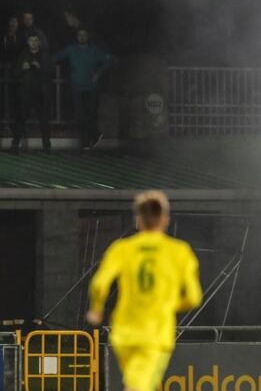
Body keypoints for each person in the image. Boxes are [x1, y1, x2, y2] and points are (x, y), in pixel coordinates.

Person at [86, 191, 202, 391]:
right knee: (138, 385)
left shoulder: (122, 248)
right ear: (165, 219)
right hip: (154, 333)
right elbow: (193, 298)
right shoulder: (179, 251)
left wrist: (96, 308)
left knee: (145, 381)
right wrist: (168, 304)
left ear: (138, 219)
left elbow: (99, 283)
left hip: (124, 332)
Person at [53, 29, 113, 148]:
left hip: (91, 88)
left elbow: (108, 60)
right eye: (79, 35)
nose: (81, 37)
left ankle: (88, 141)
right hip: (77, 87)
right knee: (79, 115)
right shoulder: (71, 49)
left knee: (90, 114)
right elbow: (55, 57)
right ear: (77, 37)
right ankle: (91, 137)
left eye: (84, 35)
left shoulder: (94, 50)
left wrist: (98, 73)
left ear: (87, 37)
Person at [11, 35, 52, 153]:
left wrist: (41, 67)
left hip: (41, 93)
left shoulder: (45, 55)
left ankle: (46, 146)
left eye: (36, 41)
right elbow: (15, 72)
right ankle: (15, 144)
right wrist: (23, 68)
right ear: (28, 42)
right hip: (25, 92)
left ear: (39, 42)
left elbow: (51, 71)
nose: (33, 43)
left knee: (44, 120)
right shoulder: (23, 55)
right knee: (20, 119)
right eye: (31, 40)